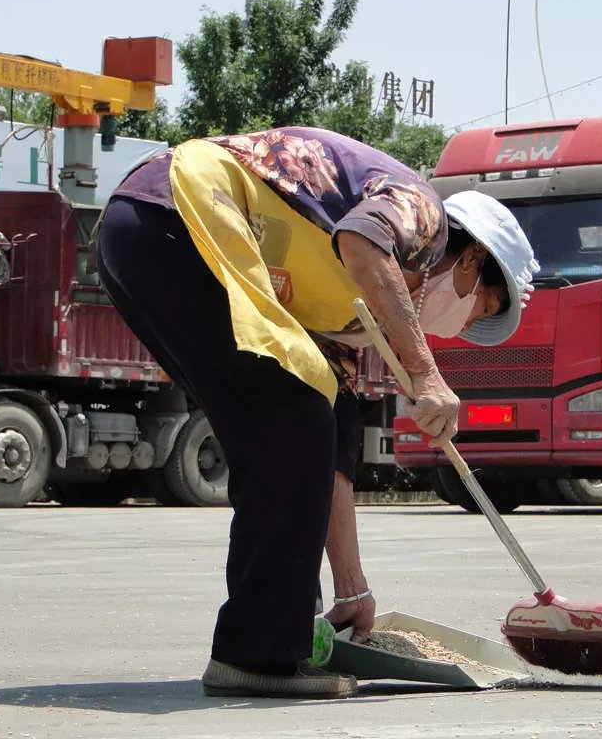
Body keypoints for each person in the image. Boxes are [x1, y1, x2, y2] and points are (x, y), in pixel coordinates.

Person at [93, 126, 537, 700]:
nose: (470, 323)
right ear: (472, 259)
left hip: (141, 238)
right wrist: (425, 371)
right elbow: (360, 239)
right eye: (484, 306)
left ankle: (283, 633)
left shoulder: (354, 322)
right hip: (177, 214)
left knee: (297, 423)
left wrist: (352, 588)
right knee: (289, 418)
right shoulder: (425, 218)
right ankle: (257, 654)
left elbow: (331, 448)